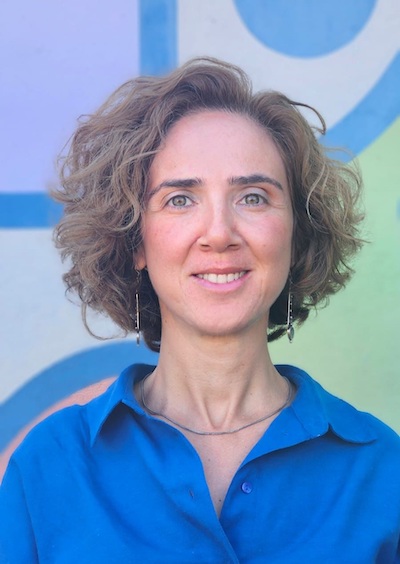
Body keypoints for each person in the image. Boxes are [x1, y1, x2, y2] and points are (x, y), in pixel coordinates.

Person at [1, 57, 399, 563]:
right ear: (135, 240)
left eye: (252, 197)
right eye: (180, 200)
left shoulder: (384, 471)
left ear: (296, 235)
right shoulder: (48, 468)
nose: (218, 233)